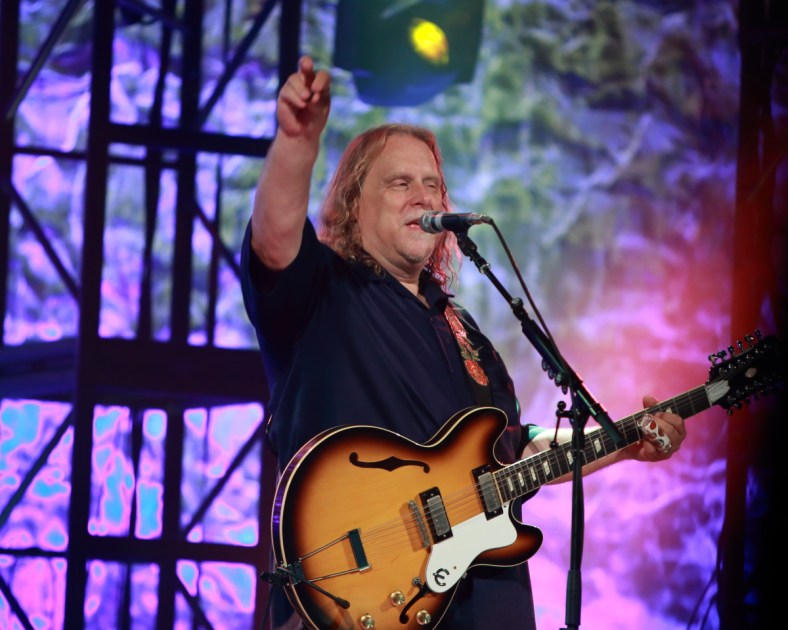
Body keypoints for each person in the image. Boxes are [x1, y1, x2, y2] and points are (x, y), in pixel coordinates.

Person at [240, 55, 687, 630]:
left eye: (432, 184)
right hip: (359, 600)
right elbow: (274, 241)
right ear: (354, 201)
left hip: (485, 608)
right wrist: (297, 142)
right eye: (400, 183)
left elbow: (513, 450)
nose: (423, 197)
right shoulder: (323, 293)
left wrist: (624, 441)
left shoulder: (466, 332)